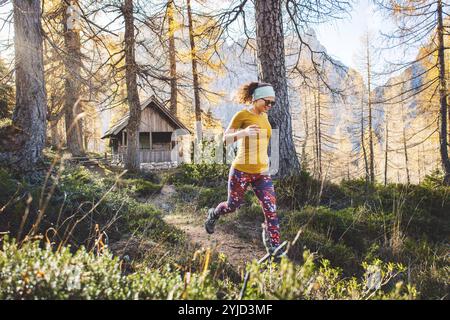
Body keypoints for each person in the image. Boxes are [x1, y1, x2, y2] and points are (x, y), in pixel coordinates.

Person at [204, 81, 286, 258]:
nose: (270, 106)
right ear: (256, 99)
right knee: (232, 206)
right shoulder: (242, 115)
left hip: (262, 172)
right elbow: (225, 140)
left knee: (270, 208)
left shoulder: (264, 116)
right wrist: (244, 133)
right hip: (241, 170)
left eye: (273, 103)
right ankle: (214, 213)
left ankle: (274, 246)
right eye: (267, 102)